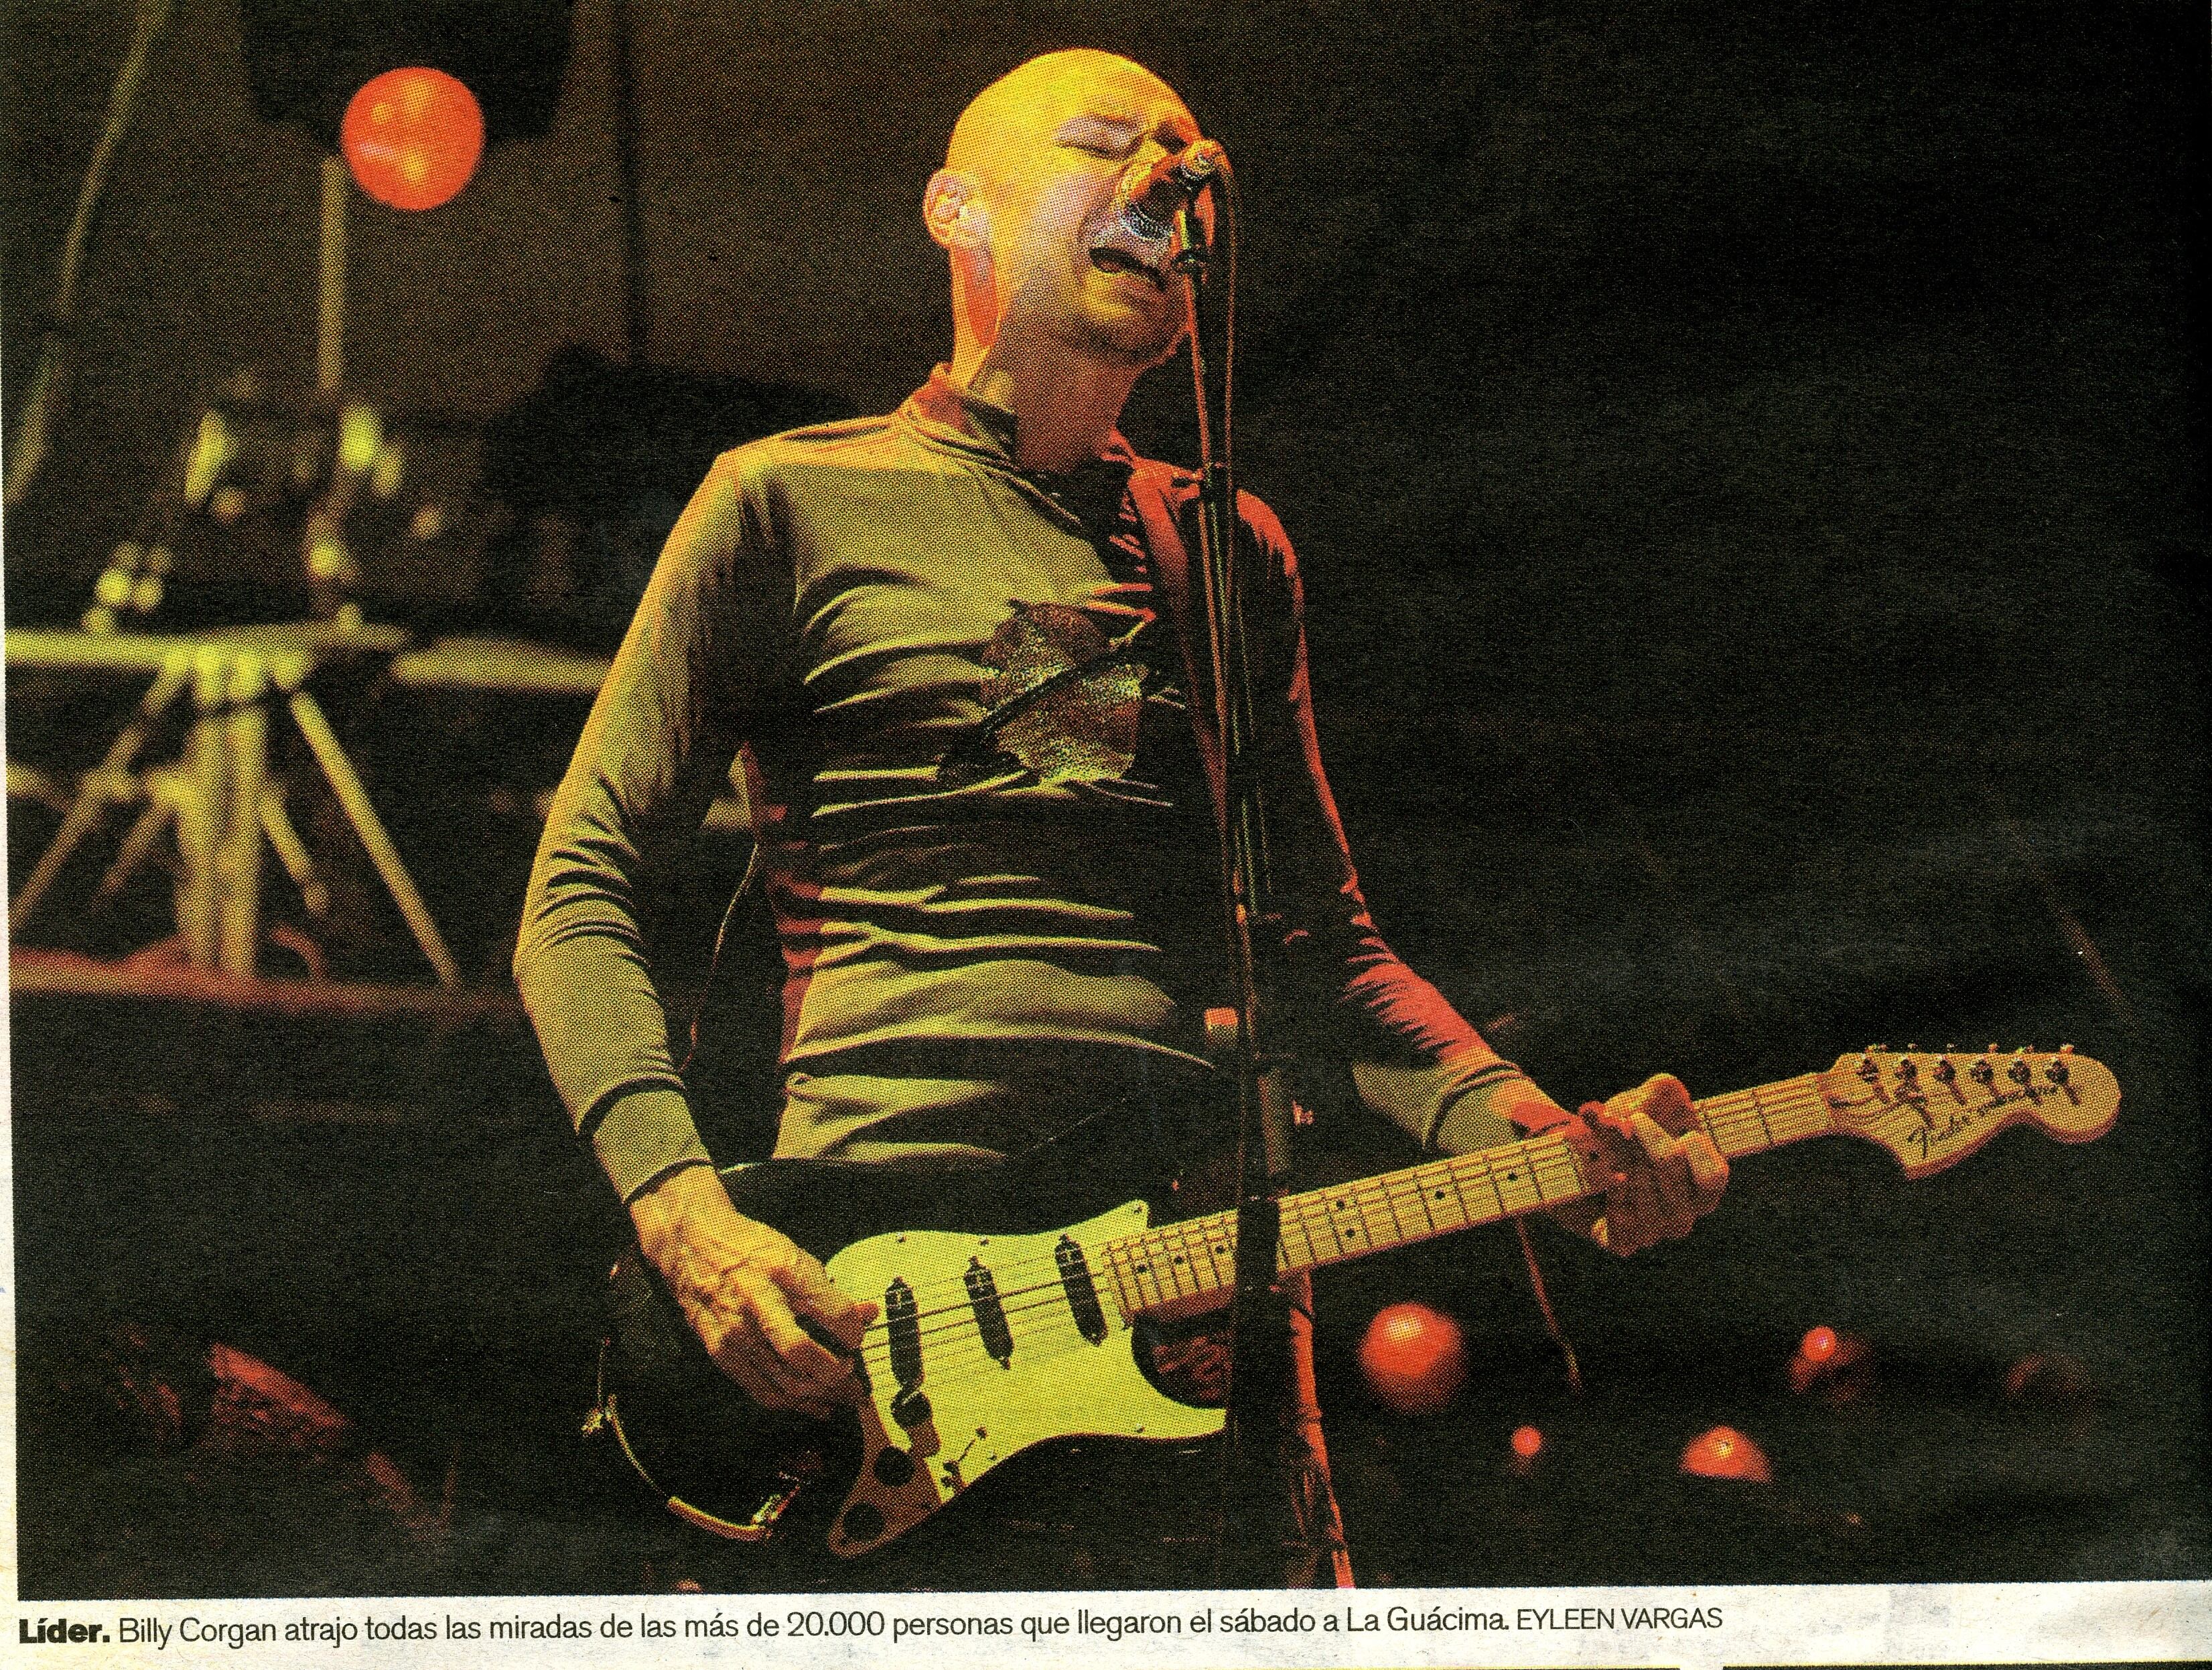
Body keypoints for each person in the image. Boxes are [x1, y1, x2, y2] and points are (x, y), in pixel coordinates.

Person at [514, 47, 1728, 1588]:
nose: (1169, 172)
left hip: (1199, 1311)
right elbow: (582, 884)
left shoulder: (1216, 549)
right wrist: (682, 1210)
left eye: (1187, 153)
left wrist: (1553, 1143)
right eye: (1105, 141)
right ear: (955, 209)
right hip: (887, 1315)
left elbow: (1322, 953)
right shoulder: (789, 502)